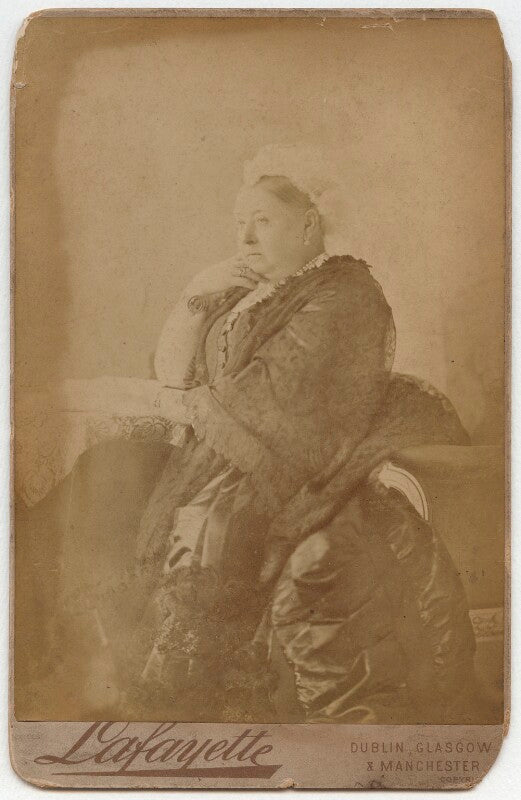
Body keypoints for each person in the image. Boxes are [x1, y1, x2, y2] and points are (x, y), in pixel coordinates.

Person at [81, 144, 474, 725]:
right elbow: (175, 374)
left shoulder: (344, 293)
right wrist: (196, 292)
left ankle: (203, 702)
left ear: (309, 224)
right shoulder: (246, 291)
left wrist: (176, 405)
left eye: (261, 221)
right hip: (225, 453)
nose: (243, 239)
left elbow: (274, 400)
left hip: (300, 462)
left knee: (211, 527)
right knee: (106, 475)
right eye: (238, 223)